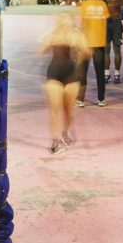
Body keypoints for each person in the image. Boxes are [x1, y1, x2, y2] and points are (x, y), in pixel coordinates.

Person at [39, 14, 86, 153]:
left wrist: (79, 51)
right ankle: (55, 139)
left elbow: (87, 51)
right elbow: (41, 51)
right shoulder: (54, 35)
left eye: (67, 20)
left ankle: (64, 132)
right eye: (62, 20)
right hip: (54, 74)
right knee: (55, 109)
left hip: (71, 75)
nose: (64, 23)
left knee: (68, 111)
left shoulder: (76, 36)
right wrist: (52, 37)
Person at [76, 0, 108, 107]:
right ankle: (101, 99)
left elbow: (84, 26)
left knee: (82, 72)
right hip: (99, 43)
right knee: (100, 72)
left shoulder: (85, 5)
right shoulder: (102, 5)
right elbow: (105, 24)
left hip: (87, 43)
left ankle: (81, 99)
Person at [101, 0, 123, 84]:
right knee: (106, 50)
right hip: (107, 21)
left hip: (116, 21)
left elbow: (120, 5)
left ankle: (117, 74)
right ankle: (107, 74)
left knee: (117, 50)